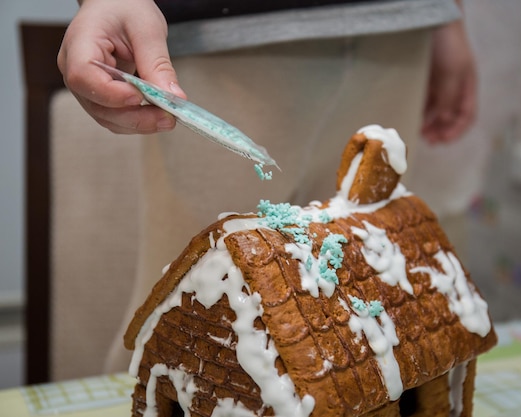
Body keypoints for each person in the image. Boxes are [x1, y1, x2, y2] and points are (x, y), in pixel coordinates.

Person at [58, 0, 477, 372]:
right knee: (190, 324)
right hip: (223, 39)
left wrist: (450, 15)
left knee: (369, 320)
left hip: (401, 31)